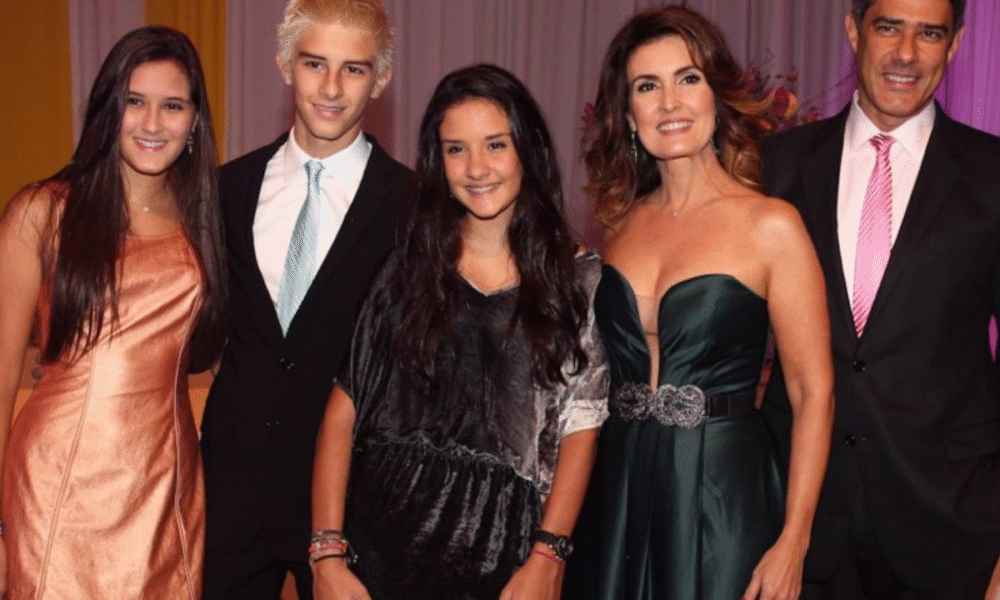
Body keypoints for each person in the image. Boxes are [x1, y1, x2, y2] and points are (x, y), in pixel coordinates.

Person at [309, 63, 610, 600]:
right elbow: (343, 409)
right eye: (455, 149)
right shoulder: (408, 267)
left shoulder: (576, 279)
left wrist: (548, 555)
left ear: (528, 149)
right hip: (381, 547)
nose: (476, 168)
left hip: (504, 555)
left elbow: (580, 430)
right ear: (437, 160)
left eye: (495, 145)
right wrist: (327, 553)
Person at [564, 6, 835, 600]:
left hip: (724, 493)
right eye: (647, 86)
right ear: (628, 114)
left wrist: (794, 539)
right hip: (619, 489)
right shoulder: (620, 225)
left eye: (687, 78)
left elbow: (813, 393)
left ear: (716, 94)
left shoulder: (771, 225)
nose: (670, 103)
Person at [760, 0, 1000, 598]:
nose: (905, 55)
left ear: (956, 43)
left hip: (951, 533)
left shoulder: (993, 174)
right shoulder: (775, 167)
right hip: (796, 530)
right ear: (853, 30)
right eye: (888, 27)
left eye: (930, 34)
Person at [0, 26, 225, 599]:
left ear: (195, 121)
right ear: (108, 109)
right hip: (59, 479)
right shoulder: (42, 212)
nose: (152, 123)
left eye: (172, 106)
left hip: (164, 485)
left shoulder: (204, 221)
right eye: (134, 101)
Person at [199, 0, 411, 598]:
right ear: (284, 64)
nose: (332, 88)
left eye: (354, 69)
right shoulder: (226, 189)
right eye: (315, 63)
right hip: (230, 496)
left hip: (352, 507)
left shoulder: (415, 206)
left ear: (381, 79)